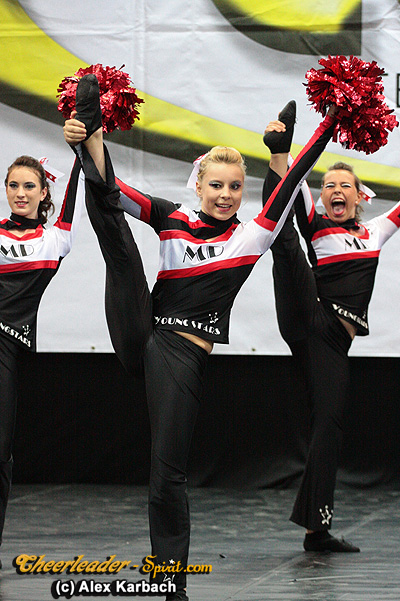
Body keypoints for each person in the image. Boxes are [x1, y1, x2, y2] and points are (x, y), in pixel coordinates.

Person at [63, 74, 337, 600]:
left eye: (235, 187)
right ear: (199, 185)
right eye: (216, 185)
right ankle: (92, 131)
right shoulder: (173, 217)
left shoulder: (251, 235)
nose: (226, 195)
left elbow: (292, 181)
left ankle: (170, 582)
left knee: (167, 470)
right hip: (142, 326)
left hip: (178, 354)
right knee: (117, 236)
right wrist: (87, 144)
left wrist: (330, 122)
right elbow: (114, 191)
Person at [263, 102, 400, 553]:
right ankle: (278, 149)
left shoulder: (375, 231)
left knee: (329, 424)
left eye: (345, 186)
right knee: (283, 236)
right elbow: (292, 188)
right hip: (310, 312)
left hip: (332, 343)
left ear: (360, 197)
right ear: (322, 198)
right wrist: (282, 155)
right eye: (329, 186)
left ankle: (315, 530)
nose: (336, 190)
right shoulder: (317, 225)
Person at [0, 154, 84, 564]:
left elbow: (77, 188)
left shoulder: (56, 239)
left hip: (9, 347)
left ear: (44, 192)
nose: (20, 193)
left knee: (1, 452)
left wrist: (85, 142)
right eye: (13, 185)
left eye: (29, 186)